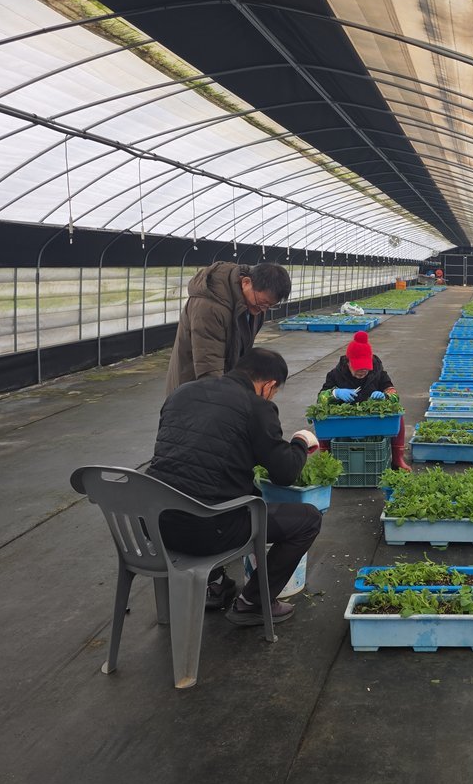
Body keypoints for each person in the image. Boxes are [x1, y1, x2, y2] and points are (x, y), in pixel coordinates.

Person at [147, 348, 323, 625]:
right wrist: (301, 441)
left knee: (212, 486)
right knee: (308, 519)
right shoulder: (256, 406)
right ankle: (253, 602)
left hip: (154, 523)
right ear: (268, 386)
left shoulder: (181, 393)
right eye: (274, 392)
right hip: (206, 531)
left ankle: (215, 585)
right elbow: (286, 473)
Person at [165, 261, 293, 397]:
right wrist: (224, 402)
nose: (263, 310)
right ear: (246, 282)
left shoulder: (254, 305)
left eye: (269, 306)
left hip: (221, 382)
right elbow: (209, 364)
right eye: (262, 303)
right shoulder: (210, 306)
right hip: (193, 388)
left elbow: (240, 350)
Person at [320, 330, 411, 472]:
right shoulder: (335, 375)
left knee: (398, 413)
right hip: (344, 420)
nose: (362, 371)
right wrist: (335, 393)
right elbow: (321, 399)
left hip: (372, 419)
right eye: (358, 367)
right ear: (348, 362)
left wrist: (385, 396)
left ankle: (397, 459)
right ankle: (325, 459)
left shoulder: (378, 373)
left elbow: (394, 394)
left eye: (365, 368)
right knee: (321, 417)